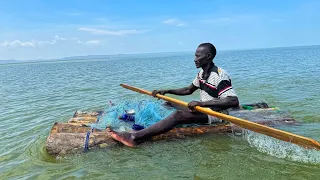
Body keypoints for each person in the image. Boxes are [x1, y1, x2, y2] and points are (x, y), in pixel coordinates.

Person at [108, 42, 240, 147]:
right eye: (195, 56)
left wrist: (201, 103)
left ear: (208, 56)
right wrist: (167, 91)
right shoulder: (201, 74)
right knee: (168, 103)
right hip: (204, 109)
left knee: (178, 115)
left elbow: (233, 101)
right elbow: (188, 90)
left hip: (217, 114)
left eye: (198, 56)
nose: (195, 59)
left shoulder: (220, 75)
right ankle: (154, 126)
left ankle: (134, 137)